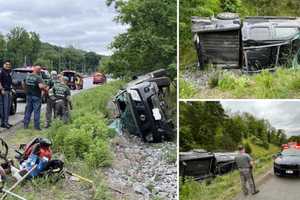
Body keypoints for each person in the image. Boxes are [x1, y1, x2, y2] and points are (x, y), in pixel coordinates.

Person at [23, 65, 49, 130]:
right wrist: (46, 90)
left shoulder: (28, 76)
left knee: (28, 111)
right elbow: (41, 87)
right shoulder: (38, 77)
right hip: (36, 96)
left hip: (29, 96)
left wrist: (26, 90)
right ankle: (36, 127)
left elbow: (23, 83)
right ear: (39, 70)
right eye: (39, 70)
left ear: (33, 69)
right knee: (36, 111)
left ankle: (25, 125)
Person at [0, 60, 13, 129]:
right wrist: (2, 89)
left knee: (6, 108)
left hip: (8, 91)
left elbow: (10, 82)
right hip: (4, 91)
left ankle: (4, 123)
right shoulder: (2, 72)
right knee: (5, 108)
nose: (8, 65)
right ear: (4, 65)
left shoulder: (8, 72)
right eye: (6, 64)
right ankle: (4, 123)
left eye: (9, 64)